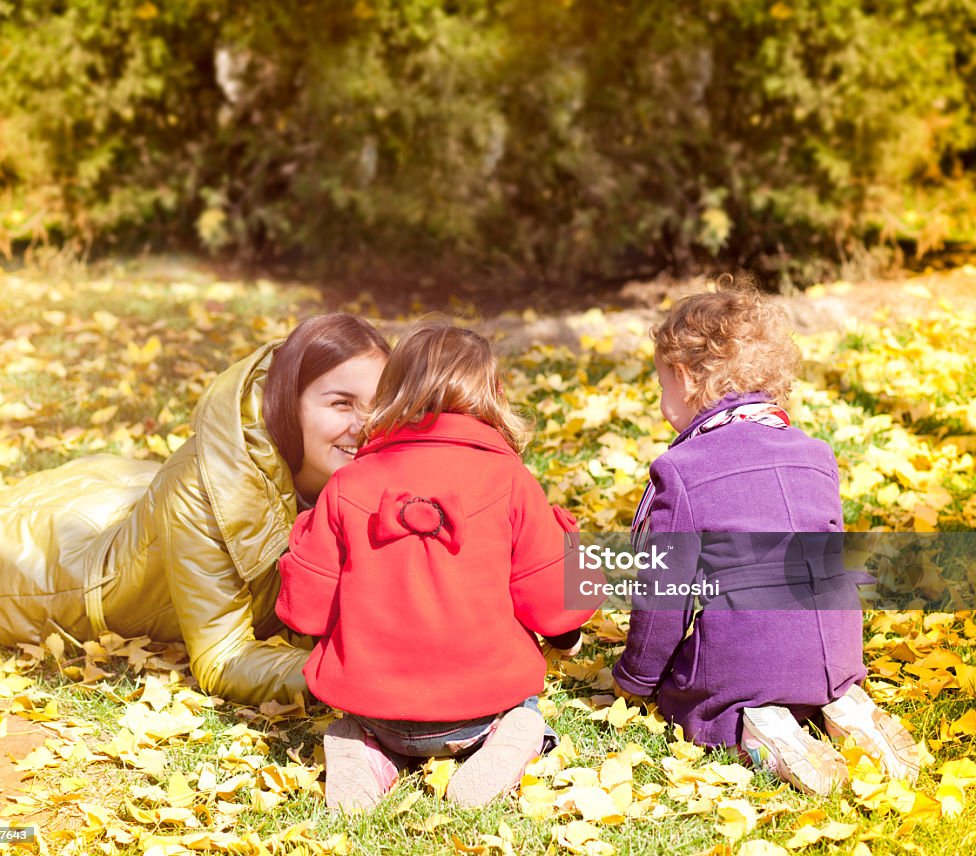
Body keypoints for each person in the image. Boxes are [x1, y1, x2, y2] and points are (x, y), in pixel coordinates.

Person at [0, 314, 389, 706]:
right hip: (42, 577)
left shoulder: (363, 468)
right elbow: (223, 657)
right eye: (341, 403)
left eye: (379, 406)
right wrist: (354, 677)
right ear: (286, 401)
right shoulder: (209, 484)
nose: (366, 426)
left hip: (106, 506)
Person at [611, 280, 922, 794]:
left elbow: (663, 599)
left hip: (747, 666)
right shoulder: (816, 454)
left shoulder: (681, 469)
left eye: (661, 384)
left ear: (685, 379)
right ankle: (844, 706)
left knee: (687, 691)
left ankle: (758, 728)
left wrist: (636, 678)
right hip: (836, 658)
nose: (663, 398)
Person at [276, 321, 597, 811]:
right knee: (526, 713)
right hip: (479, 708)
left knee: (362, 726)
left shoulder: (349, 483)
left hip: (375, 706)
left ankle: (365, 749)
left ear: (393, 391)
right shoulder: (508, 478)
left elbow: (305, 612)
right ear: (493, 395)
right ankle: (507, 741)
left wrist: (303, 543)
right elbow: (555, 601)